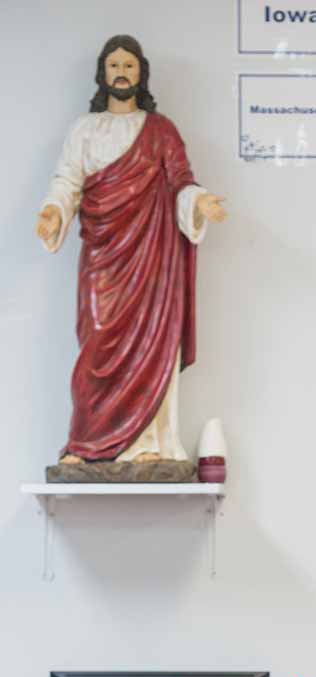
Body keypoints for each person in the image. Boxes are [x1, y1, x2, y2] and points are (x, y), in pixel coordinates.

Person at [35, 35, 226, 464]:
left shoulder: (161, 130)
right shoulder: (84, 129)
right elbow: (67, 182)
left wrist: (199, 201)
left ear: (141, 74)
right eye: (114, 65)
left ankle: (147, 446)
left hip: (150, 260)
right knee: (97, 340)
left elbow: (180, 179)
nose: (122, 73)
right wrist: (52, 212)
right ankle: (85, 445)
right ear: (103, 73)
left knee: (150, 342)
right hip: (103, 256)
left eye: (130, 66)